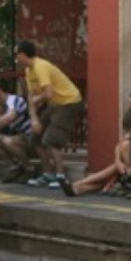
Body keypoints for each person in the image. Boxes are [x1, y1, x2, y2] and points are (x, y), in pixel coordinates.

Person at [15, 40, 83, 188]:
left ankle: (60, 176)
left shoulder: (41, 66)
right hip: (55, 104)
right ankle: (48, 173)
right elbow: (31, 96)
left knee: (51, 139)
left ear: (22, 55)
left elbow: (48, 93)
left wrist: (37, 99)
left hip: (68, 102)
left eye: (17, 55)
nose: (16, 58)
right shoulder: (28, 71)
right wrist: (34, 119)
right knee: (35, 138)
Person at [57, 106, 131, 197]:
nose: (130, 132)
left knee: (113, 171)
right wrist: (118, 161)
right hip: (128, 168)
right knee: (111, 174)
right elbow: (119, 145)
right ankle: (79, 188)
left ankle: (79, 184)